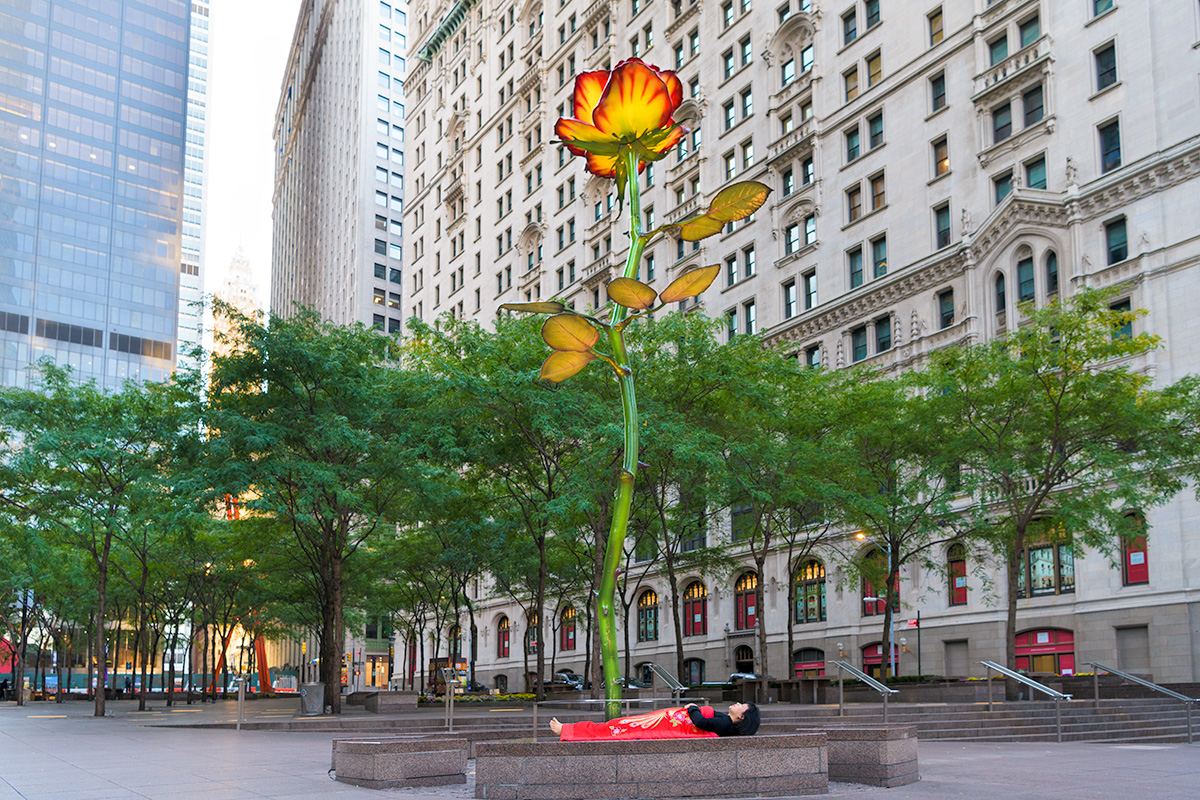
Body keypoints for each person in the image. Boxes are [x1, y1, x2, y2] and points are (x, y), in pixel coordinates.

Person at [548, 701, 760, 741]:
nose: (738, 703)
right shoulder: (724, 721)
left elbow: (700, 723)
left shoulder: (724, 724)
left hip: (662, 723)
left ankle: (568, 730)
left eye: (743, 706)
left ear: (742, 716)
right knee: (619, 724)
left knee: (619, 726)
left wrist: (693, 708)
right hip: (662, 720)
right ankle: (570, 730)